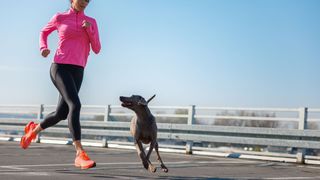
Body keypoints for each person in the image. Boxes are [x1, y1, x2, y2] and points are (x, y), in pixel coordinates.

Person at [20, 0, 101, 169]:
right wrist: (43, 47)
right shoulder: (60, 17)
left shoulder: (91, 22)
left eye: (88, 0)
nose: (85, 2)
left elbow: (97, 48)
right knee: (75, 104)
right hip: (60, 67)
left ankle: (32, 131)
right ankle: (79, 153)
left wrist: (89, 29)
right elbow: (44, 32)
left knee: (61, 113)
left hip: (78, 70)